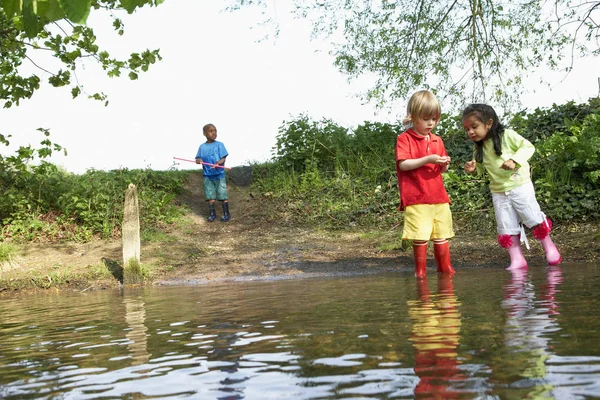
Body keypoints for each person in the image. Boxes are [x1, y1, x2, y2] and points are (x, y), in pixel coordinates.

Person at [462, 104, 561, 269]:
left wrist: (514, 161)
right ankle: (517, 259)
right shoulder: (479, 147)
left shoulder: (506, 135)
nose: (470, 132)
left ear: (489, 123)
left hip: (519, 185)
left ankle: (550, 248)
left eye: (474, 127)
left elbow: (528, 147)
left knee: (532, 215)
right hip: (499, 191)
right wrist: (473, 170)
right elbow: (480, 170)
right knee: (505, 224)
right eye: (467, 129)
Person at [395, 90, 455, 279]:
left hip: (439, 197)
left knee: (441, 234)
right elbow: (404, 164)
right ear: (412, 117)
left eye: (435, 119)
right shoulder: (404, 139)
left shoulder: (438, 140)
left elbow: (441, 171)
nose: (431, 123)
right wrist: (428, 158)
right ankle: (419, 272)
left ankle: (445, 269)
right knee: (420, 235)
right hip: (416, 197)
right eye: (426, 119)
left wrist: (444, 164)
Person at [195, 123, 231, 222]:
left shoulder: (220, 144)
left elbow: (223, 158)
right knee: (210, 196)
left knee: (222, 194)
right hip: (207, 175)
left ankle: (226, 214)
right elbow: (198, 158)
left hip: (219, 175)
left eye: (215, 131)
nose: (214, 133)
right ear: (204, 134)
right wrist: (198, 160)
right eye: (211, 131)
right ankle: (212, 214)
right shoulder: (202, 147)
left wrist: (218, 163)